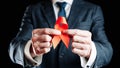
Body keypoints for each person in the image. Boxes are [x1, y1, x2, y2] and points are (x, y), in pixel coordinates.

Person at [8, 0, 113, 68]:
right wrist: (30, 49)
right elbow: (14, 47)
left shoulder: (93, 10)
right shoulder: (33, 10)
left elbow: (106, 49)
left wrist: (91, 50)